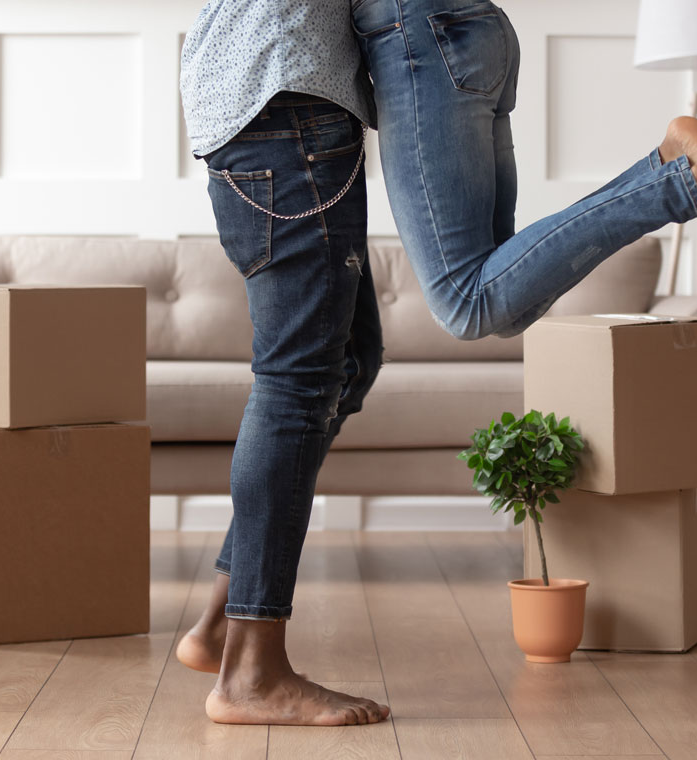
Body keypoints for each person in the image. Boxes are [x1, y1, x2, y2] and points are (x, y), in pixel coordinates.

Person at [177, 0, 697, 728]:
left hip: (289, 86)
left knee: (333, 364)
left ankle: (243, 648)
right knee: (338, 364)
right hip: (297, 85)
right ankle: (237, 640)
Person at [177, 0, 392, 726]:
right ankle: (251, 676)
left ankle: (220, 627)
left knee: (350, 360)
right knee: (297, 384)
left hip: (270, 100)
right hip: (285, 103)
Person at [350, 0, 697, 340]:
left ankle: (691, 181)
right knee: (509, 309)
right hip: (465, 28)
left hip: (412, 37)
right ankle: (672, 161)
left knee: (465, 303)